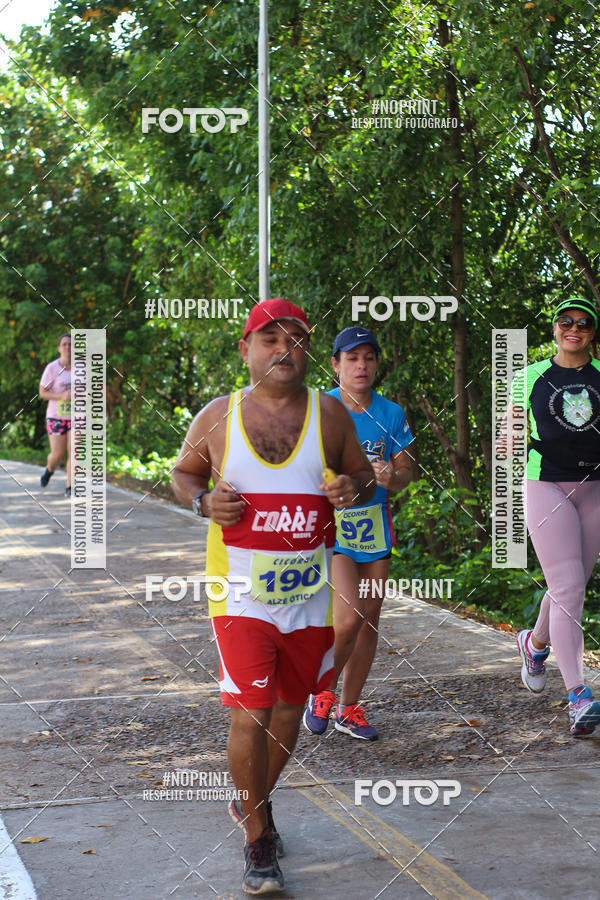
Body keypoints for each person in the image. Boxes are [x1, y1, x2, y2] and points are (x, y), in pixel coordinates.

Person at [171, 299, 375, 894]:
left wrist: (349, 486)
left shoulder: (329, 415)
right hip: (238, 592)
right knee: (250, 711)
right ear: (246, 349)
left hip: (308, 592)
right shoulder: (218, 415)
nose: (285, 350)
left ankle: (252, 801)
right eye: (270, 339)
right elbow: (185, 474)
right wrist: (202, 502)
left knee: (288, 710)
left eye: (296, 339)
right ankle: (258, 840)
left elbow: (364, 477)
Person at [303, 327, 414, 741]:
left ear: (376, 363)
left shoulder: (390, 413)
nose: (361, 366)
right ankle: (321, 693)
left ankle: (349, 708)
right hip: (332, 529)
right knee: (347, 619)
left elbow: (408, 470)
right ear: (335, 365)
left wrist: (393, 477)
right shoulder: (318, 409)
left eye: (368, 358)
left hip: (374, 528)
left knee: (369, 620)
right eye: (352, 358)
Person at [511, 297, 600, 737]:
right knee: (568, 587)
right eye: (566, 321)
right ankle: (578, 695)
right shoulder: (526, 378)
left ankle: (535, 643)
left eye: (584, 323)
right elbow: (508, 443)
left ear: (593, 332)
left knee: (571, 585)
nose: (575, 328)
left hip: (595, 490)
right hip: (544, 486)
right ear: (554, 327)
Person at [39, 333, 72, 497]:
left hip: (76, 416)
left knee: (75, 452)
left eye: (71, 345)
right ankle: (50, 469)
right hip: (56, 416)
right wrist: (61, 396)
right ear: (59, 348)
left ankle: (70, 488)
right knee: (57, 455)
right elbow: (42, 392)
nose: (68, 347)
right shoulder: (52, 368)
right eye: (64, 344)